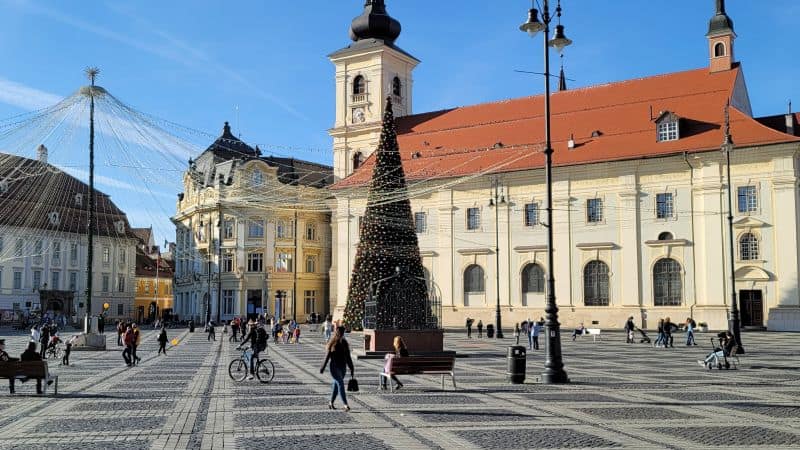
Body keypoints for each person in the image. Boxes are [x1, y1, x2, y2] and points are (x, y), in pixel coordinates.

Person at [320, 326, 354, 412]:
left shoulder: (345, 343)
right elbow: (327, 356)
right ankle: (345, 405)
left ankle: (331, 403)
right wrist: (322, 367)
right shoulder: (332, 343)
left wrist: (351, 368)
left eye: (342, 333)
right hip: (334, 367)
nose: (342, 334)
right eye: (341, 333)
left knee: (336, 385)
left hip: (343, 367)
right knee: (340, 384)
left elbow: (348, 357)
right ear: (338, 333)